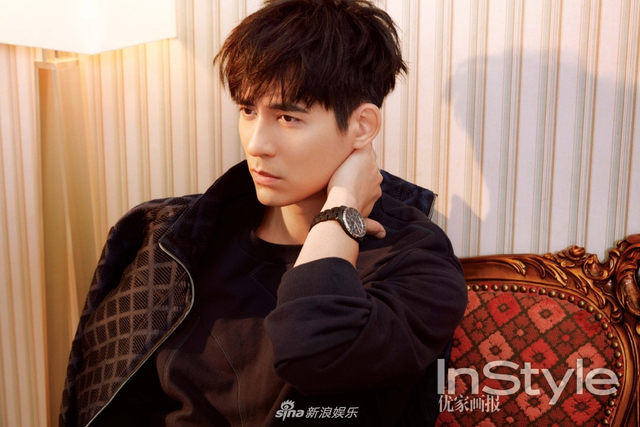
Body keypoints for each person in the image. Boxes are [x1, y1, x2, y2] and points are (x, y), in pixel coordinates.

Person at [59, 0, 467, 426]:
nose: (256, 144)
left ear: (362, 126)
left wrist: (341, 208)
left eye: (287, 117)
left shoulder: (417, 262)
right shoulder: (178, 238)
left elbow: (312, 354)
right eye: (248, 110)